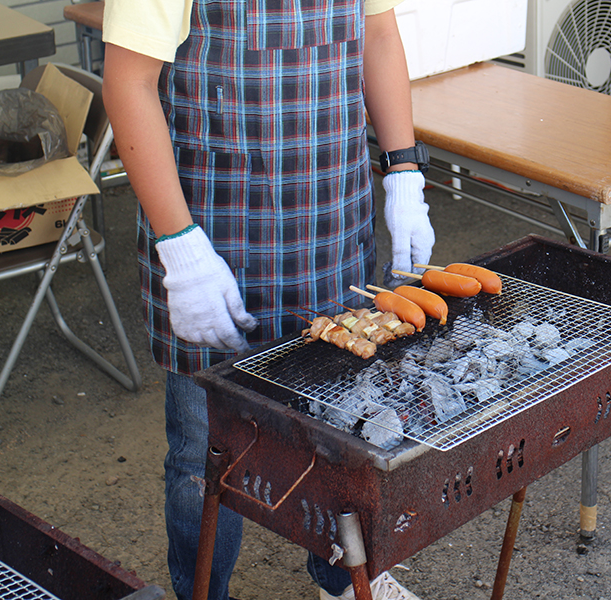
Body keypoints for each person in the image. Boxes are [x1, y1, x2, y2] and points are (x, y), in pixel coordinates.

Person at [101, 0, 433, 598]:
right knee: (205, 449)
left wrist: (404, 170)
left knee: (346, 430)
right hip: (213, 238)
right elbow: (128, 81)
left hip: (330, 227)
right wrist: (180, 248)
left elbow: (378, 33)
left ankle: (345, 576)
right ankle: (203, 592)